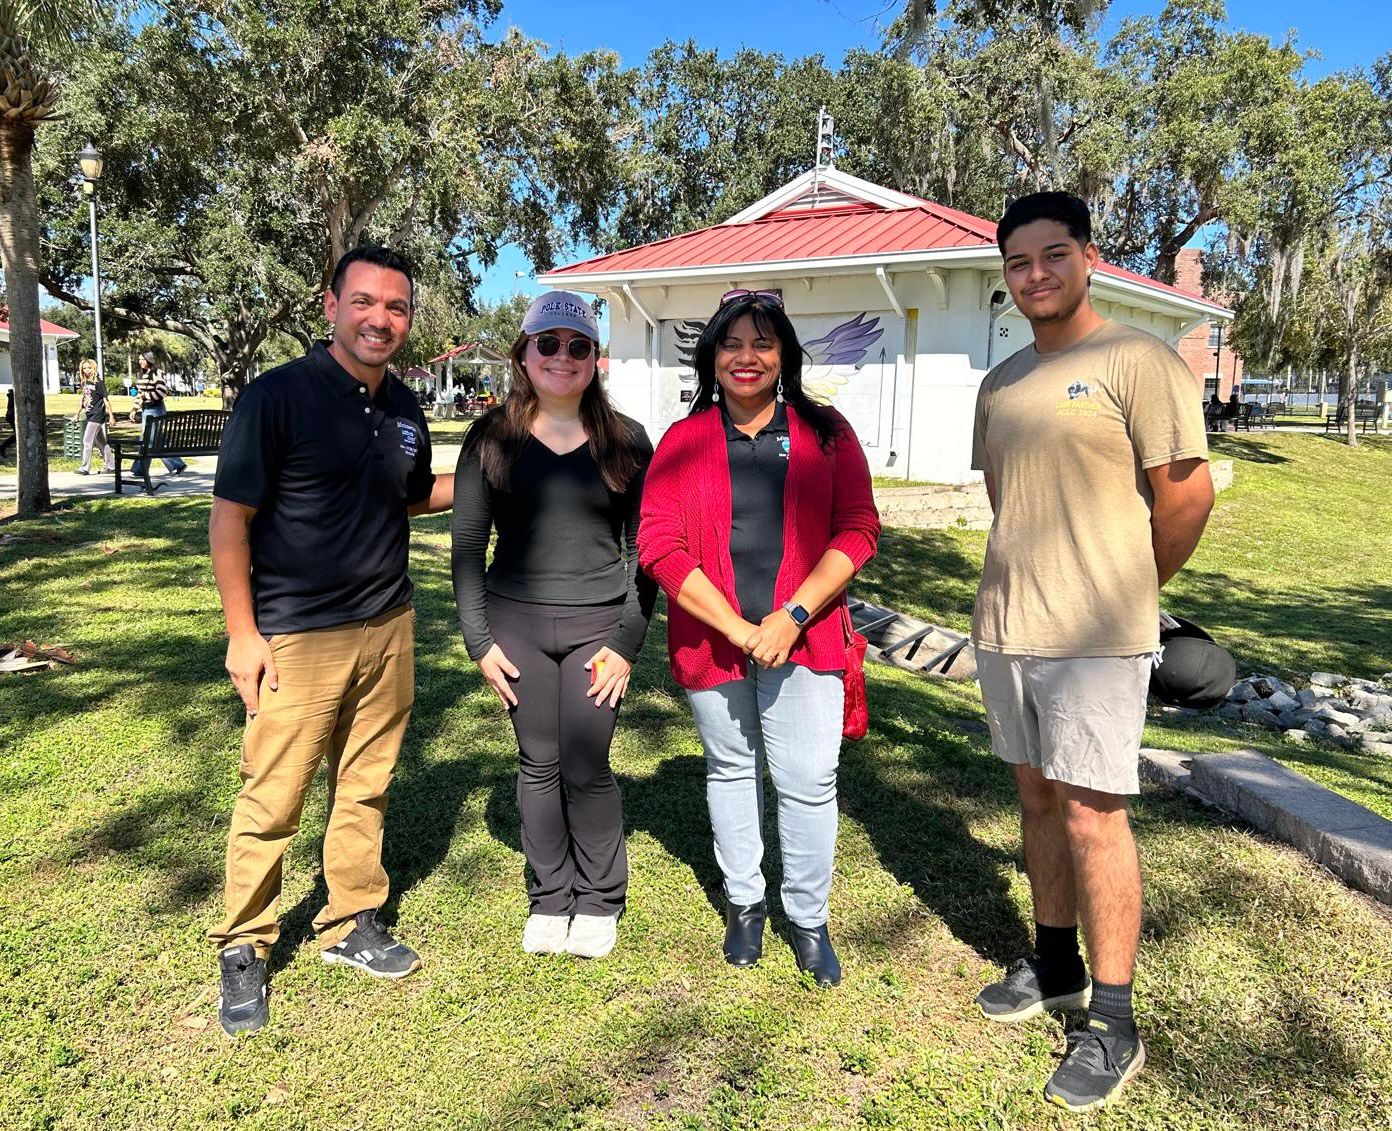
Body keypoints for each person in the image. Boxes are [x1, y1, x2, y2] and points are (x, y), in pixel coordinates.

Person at [969, 192, 1213, 1112]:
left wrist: (1128, 585)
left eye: (1053, 254)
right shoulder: (1002, 383)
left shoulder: (1138, 360)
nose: (1036, 274)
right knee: (1036, 797)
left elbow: (1186, 497)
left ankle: (1114, 1022)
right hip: (1008, 624)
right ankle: (1056, 964)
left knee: (1092, 817)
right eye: (1019, 262)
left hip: (1096, 635)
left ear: (1089, 258)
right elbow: (1008, 498)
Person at [207, 246, 455, 1038]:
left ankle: (350, 919)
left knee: (366, 783)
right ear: (331, 305)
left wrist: (492, 476)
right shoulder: (277, 396)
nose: (381, 318)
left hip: (389, 625)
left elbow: (408, 496)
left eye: (396, 306)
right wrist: (243, 633)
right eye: (365, 302)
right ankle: (244, 943)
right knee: (273, 795)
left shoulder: (406, 407)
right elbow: (230, 521)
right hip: (297, 635)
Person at [638, 290, 880, 988]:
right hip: (715, 639)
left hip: (805, 637)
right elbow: (658, 545)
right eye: (732, 343)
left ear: (784, 356)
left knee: (808, 780)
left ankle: (807, 917)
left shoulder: (827, 432)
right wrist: (739, 628)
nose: (747, 357)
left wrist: (791, 617)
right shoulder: (684, 440)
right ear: (712, 356)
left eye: (762, 343)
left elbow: (858, 528)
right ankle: (745, 902)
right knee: (731, 769)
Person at [452, 291, 655, 960]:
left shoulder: (627, 440)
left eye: (578, 345)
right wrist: (480, 642)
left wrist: (626, 643)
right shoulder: (490, 438)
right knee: (538, 763)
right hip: (517, 627)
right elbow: (467, 547)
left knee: (587, 763)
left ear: (595, 358)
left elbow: (645, 551)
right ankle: (550, 897)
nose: (562, 357)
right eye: (548, 343)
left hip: (601, 628)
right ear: (523, 354)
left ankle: (598, 898)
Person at [130, 351, 188, 479]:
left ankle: (140, 468)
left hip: (155, 409)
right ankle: (177, 464)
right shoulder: (142, 375)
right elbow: (139, 394)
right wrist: (134, 408)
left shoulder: (157, 374)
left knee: (148, 440)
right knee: (153, 440)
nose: (140, 362)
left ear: (149, 360)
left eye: (142, 359)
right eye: (139, 360)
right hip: (146, 409)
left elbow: (161, 393)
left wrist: (145, 396)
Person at [75, 360, 116, 475]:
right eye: (84, 368)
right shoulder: (84, 382)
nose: (87, 370)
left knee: (87, 441)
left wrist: (111, 416)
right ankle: (111, 466)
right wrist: (77, 413)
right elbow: (83, 400)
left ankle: (85, 468)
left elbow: (106, 400)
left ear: (94, 368)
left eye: (89, 368)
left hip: (97, 415)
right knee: (102, 442)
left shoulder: (99, 383)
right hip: (90, 414)